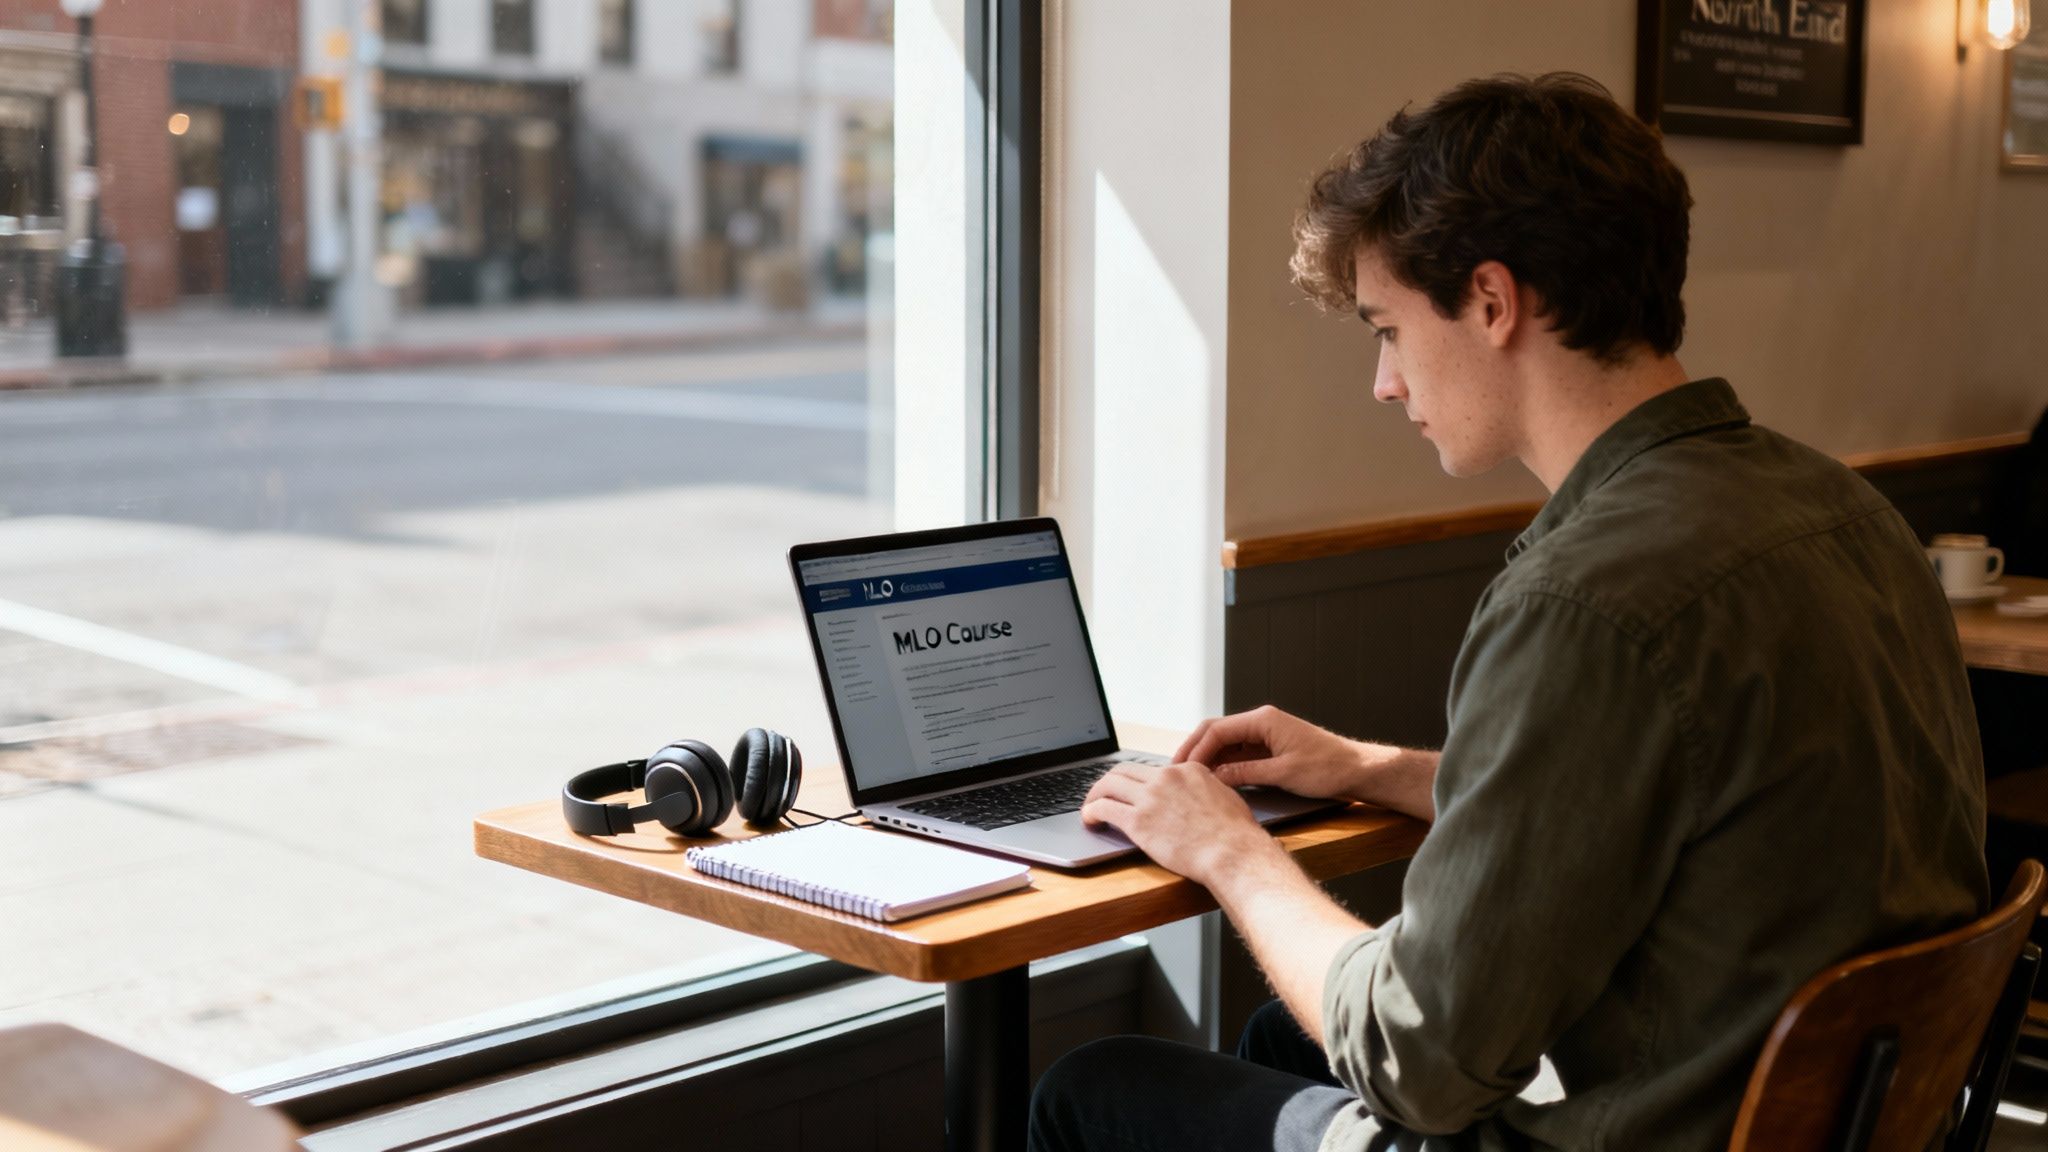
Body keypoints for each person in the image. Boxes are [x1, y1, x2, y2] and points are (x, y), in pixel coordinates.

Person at [1029, 72, 1989, 1152]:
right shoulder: (1840, 508)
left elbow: (1419, 1064)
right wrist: (1371, 769)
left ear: (1491, 302)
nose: (1383, 384)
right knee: (1278, 1037)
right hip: (1815, 1118)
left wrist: (1230, 855)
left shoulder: (1585, 599)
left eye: (1386, 328)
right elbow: (1676, 806)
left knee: (1095, 1087)